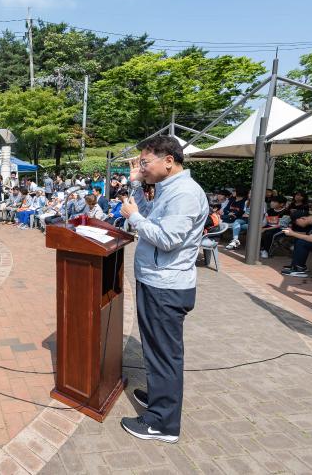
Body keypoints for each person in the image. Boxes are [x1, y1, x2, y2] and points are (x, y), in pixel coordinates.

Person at [119, 135, 207, 444]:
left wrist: (136, 218)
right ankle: (159, 398)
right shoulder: (169, 189)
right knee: (155, 351)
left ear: (168, 161)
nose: (141, 167)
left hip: (166, 287)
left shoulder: (185, 194)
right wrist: (135, 184)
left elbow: (168, 238)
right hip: (155, 281)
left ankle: (162, 424)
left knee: (165, 355)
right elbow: (144, 211)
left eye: (145, 162)